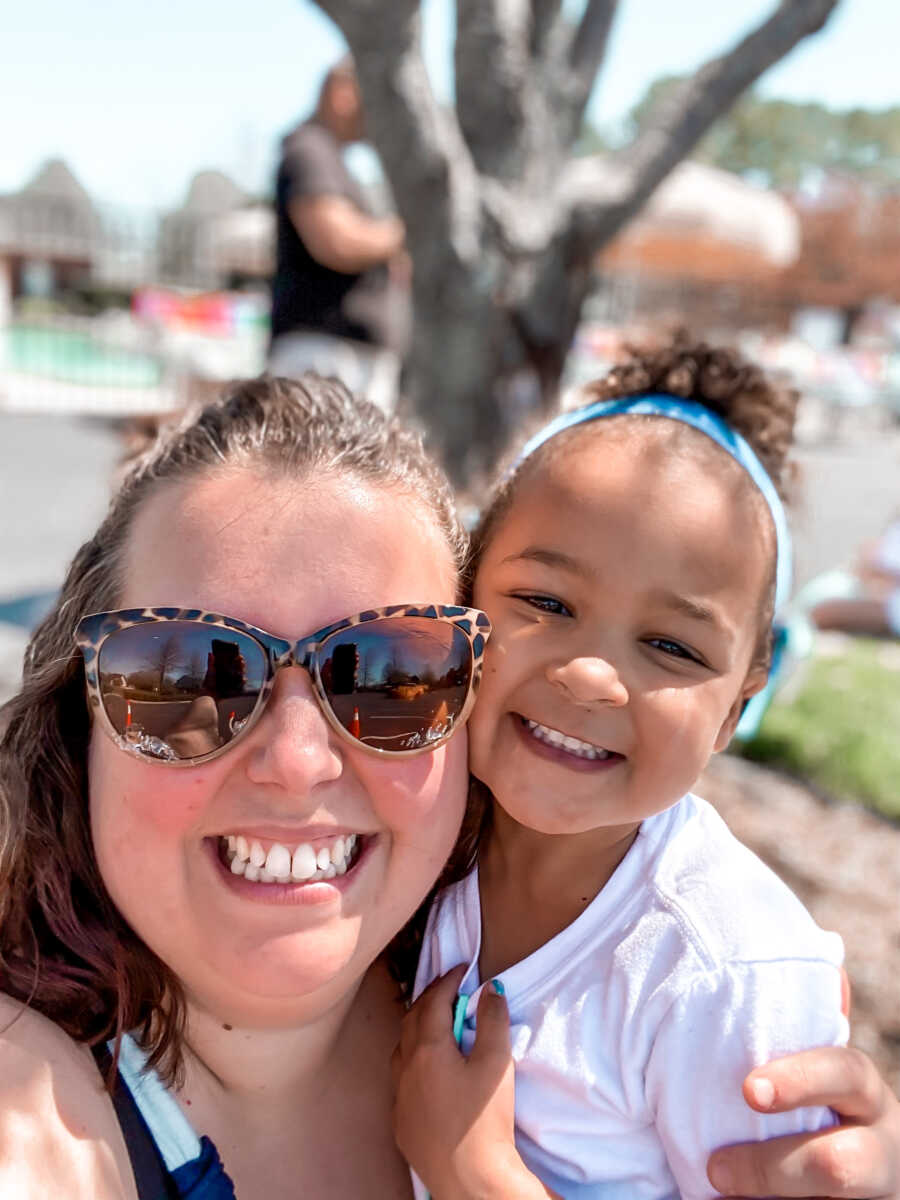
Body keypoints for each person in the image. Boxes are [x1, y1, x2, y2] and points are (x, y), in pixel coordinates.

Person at [0, 374, 897, 1199]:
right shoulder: (34, 1111)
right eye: (189, 674)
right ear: (80, 716)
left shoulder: (590, 975)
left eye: (389, 678)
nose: (297, 758)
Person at [394, 339, 885, 1199]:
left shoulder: (727, 974)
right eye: (546, 603)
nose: (590, 674)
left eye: (671, 645)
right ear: (464, 600)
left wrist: (472, 1171)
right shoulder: (411, 823)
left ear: (740, 704)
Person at [268, 59, 409, 412]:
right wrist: (402, 233)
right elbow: (336, 242)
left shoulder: (328, 156)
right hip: (324, 359)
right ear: (342, 94)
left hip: (339, 359)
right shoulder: (308, 151)